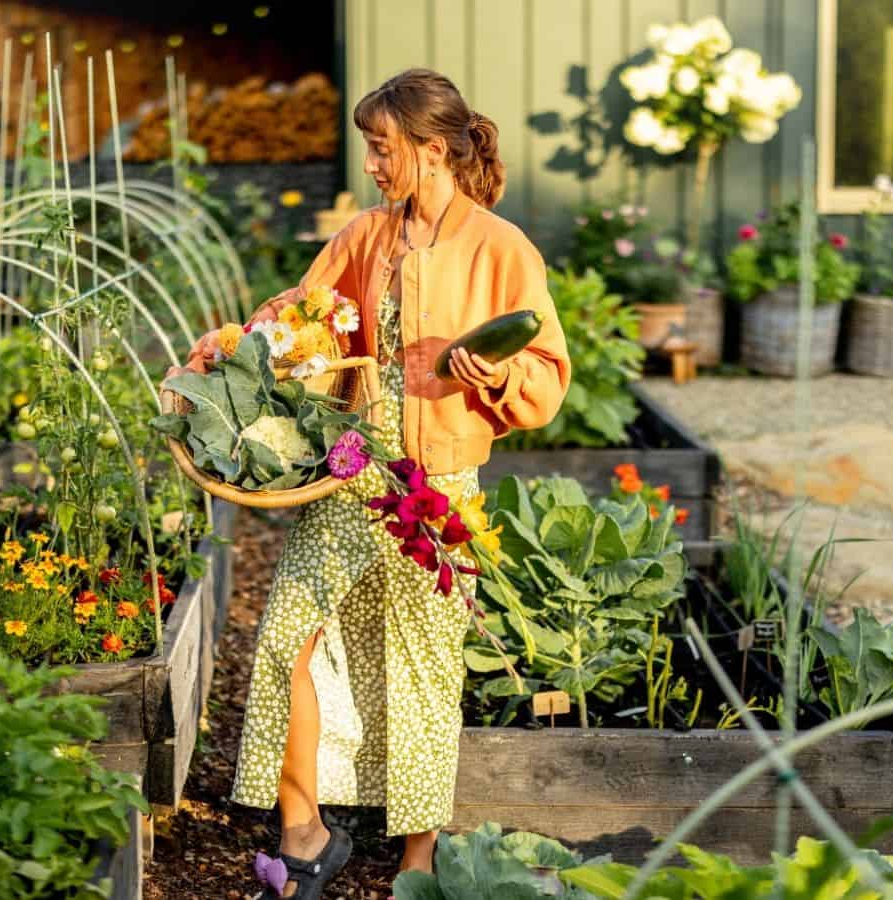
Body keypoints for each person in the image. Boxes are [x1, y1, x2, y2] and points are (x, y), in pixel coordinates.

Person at [181, 68, 570, 899]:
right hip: (354, 474)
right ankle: (304, 832)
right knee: (286, 636)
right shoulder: (367, 235)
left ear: (433, 150)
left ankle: (417, 860)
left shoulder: (501, 249)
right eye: (370, 147)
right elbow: (300, 313)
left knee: (424, 666)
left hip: (441, 488)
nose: (373, 164)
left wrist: (488, 377)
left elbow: (546, 376)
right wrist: (233, 347)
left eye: (383, 147)